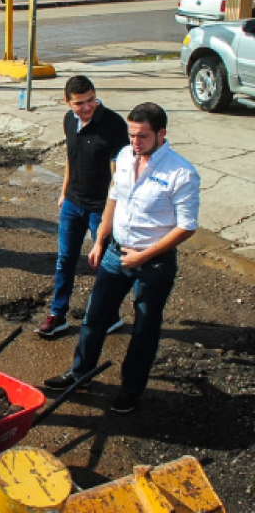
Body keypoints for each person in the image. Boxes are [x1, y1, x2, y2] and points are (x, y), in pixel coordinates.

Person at [44, 103, 200, 414]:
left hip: (154, 265)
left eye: (142, 136)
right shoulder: (126, 157)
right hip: (116, 253)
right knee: (94, 318)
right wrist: (100, 240)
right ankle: (81, 374)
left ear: (161, 133)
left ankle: (131, 390)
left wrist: (143, 256)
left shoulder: (181, 173)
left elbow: (186, 226)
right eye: (131, 135)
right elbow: (114, 198)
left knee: (144, 329)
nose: (135, 142)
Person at [37, 76, 129, 337]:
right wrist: (64, 192)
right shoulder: (69, 120)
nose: (88, 107)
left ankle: (109, 315)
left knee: (103, 263)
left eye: (91, 100)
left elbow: (118, 175)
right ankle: (58, 314)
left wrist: (112, 215)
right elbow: (70, 156)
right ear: (67, 102)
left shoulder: (113, 124)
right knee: (65, 259)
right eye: (80, 103)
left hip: (101, 207)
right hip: (72, 203)